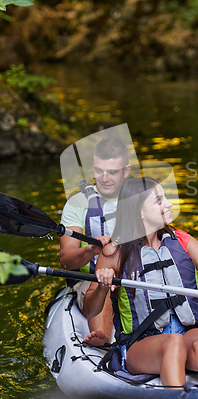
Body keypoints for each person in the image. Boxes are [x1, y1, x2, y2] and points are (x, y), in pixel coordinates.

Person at [83, 177, 198, 386]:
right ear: (139, 212)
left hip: (189, 331)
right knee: (173, 342)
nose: (169, 204)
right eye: (159, 200)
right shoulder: (114, 253)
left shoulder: (181, 240)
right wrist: (102, 287)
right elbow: (90, 309)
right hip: (141, 343)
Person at [59, 137, 131, 346]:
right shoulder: (77, 203)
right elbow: (66, 261)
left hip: (132, 275)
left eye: (112, 172)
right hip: (92, 279)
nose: (105, 178)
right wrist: (91, 249)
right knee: (105, 281)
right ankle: (102, 338)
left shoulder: (138, 200)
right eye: (99, 171)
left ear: (126, 171)